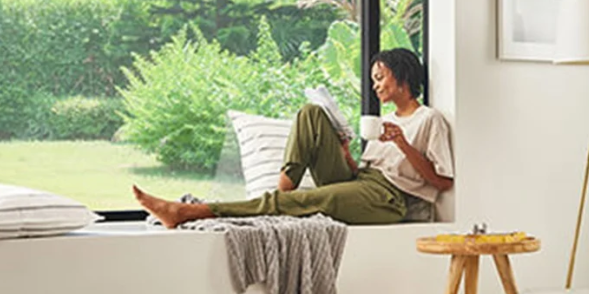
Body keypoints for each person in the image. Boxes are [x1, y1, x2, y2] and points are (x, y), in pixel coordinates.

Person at [133, 48, 455, 227]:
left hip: (389, 199)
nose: (376, 85)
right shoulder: (384, 121)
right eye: (374, 79)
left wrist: (402, 144)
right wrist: (344, 151)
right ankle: (283, 189)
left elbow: (442, 182)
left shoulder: (429, 119)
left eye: (380, 77)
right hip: (363, 180)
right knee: (310, 113)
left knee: (317, 200)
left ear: (402, 77)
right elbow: (358, 173)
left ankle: (189, 212)